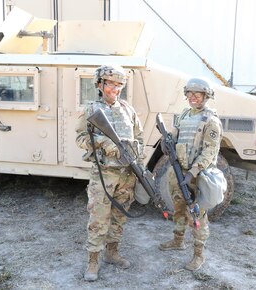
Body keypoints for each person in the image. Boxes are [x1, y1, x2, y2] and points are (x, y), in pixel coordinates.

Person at [75, 65, 144, 281]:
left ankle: (112, 253)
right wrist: (103, 142)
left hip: (127, 174)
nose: (115, 88)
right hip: (104, 174)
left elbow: (140, 139)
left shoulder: (128, 110)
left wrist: (136, 156)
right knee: (98, 217)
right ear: (100, 84)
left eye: (118, 84)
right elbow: (80, 139)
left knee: (120, 215)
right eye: (110, 83)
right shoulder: (92, 110)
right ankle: (93, 260)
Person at [159, 77, 223, 271]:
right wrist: (166, 142)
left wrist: (193, 172)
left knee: (197, 215)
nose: (193, 97)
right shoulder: (185, 115)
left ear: (206, 96)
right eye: (190, 93)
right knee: (178, 207)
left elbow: (210, 152)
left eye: (198, 94)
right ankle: (178, 240)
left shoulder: (211, 120)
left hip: (198, 175)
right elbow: (175, 137)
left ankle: (199, 255)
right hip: (179, 171)